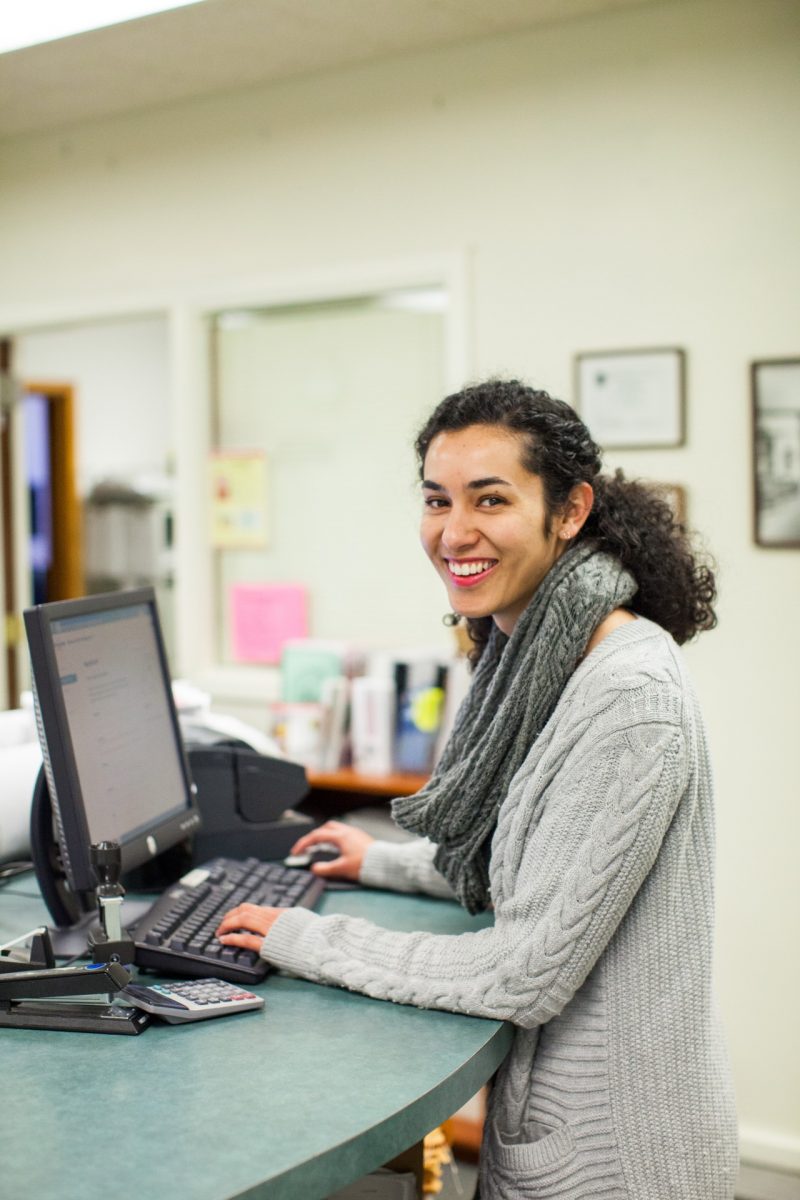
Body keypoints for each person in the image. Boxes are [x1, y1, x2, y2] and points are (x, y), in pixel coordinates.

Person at [216, 379, 738, 1199]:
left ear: (569, 512)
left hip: (614, 1166)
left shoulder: (628, 700)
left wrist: (309, 941)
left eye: (489, 500)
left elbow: (526, 971)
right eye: (436, 500)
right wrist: (376, 863)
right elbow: (533, 853)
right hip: (565, 1138)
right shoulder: (539, 653)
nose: (453, 532)